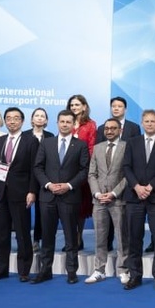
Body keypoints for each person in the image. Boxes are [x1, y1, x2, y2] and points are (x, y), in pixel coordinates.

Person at [33, 109, 90, 284]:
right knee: (47, 236)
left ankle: (71, 272)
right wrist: (48, 185)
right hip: (48, 196)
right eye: (62, 121)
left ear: (73, 124)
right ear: (57, 123)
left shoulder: (80, 145)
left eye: (68, 122)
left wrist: (68, 185)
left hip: (70, 197)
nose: (65, 124)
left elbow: (84, 170)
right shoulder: (46, 143)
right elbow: (38, 167)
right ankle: (45, 270)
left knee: (71, 237)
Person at [122, 109, 155, 290]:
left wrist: (150, 186)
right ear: (142, 123)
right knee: (134, 239)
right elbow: (126, 167)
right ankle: (135, 276)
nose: (150, 124)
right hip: (134, 197)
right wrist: (137, 187)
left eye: (153, 121)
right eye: (147, 121)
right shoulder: (132, 142)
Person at [0, 107, 39, 282]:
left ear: (22, 121)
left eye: (16, 118)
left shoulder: (31, 141)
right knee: (0, 234)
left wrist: (32, 191)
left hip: (21, 193)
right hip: (0, 192)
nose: (12, 121)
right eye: (9, 118)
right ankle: (0, 270)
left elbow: (34, 169)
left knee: (22, 233)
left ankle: (24, 271)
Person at [86, 118, 130, 284]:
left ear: (120, 130)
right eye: (107, 128)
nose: (109, 131)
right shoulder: (98, 148)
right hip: (98, 201)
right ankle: (99, 270)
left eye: (113, 128)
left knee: (121, 237)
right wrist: (97, 193)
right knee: (100, 237)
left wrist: (113, 193)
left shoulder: (127, 147)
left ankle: (124, 270)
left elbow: (128, 174)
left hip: (118, 200)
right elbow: (92, 174)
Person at [67, 94, 97, 250]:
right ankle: (70, 238)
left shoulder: (91, 125)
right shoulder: (66, 122)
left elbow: (92, 147)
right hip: (66, 171)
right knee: (68, 207)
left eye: (77, 104)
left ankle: (78, 238)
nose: (74, 107)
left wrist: (84, 166)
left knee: (80, 207)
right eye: (72, 105)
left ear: (84, 106)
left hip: (82, 171)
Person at [29, 107, 54, 252]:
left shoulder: (50, 136)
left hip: (44, 178)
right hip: (26, 177)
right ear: (32, 119)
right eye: (36, 115)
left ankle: (37, 240)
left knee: (41, 212)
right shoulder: (25, 135)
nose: (39, 118)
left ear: (46, 120)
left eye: (42, 116)